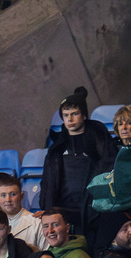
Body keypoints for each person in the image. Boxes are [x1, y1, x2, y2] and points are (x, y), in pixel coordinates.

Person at [40, 88, 117, 234]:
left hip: (92, 212)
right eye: (66, 115)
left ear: (84, 115)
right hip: (63, 213)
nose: (69, 119)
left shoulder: (100, 142)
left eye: (74, 114)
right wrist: (46, 206)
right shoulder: (57, 147)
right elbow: (47, 180)